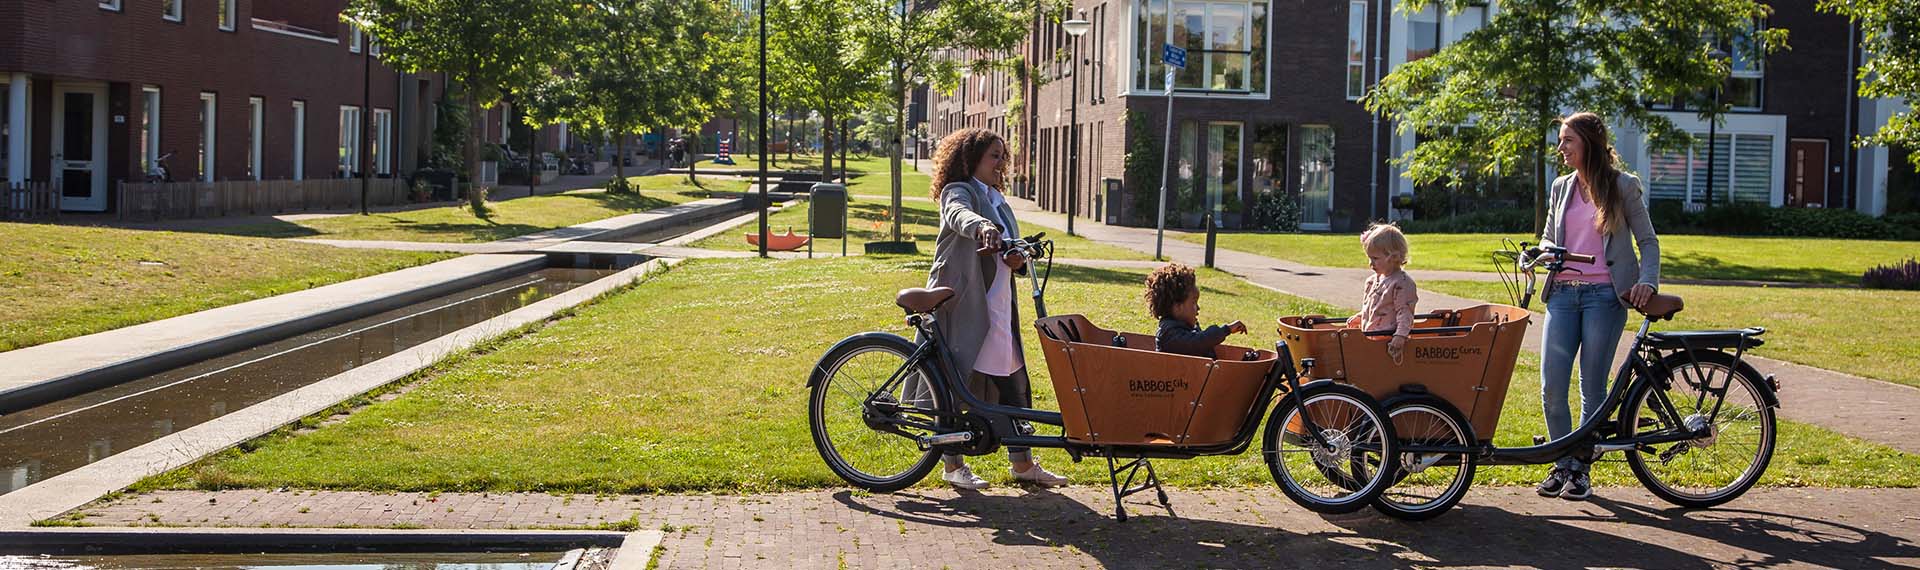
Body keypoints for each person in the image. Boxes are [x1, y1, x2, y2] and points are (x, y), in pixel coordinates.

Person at [906, 127, 1069, 490]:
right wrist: (981, 226)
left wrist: (1019, 258)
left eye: (1002, 156)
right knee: (953, 383)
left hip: (997, 302)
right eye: (993, 155)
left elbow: (1010, 246)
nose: (1000, 162)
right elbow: (958, 215)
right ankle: (953, 466)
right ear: (971, 159)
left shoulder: (997, 198)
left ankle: (1023, 464)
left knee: (1012, 381)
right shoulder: (959, 191)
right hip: (962, 301)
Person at [1534, 112, 1661, 501]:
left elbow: (1649, 243)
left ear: (1588, 143)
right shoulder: (1561, 187)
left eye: (1567, 141)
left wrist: (1647, 281)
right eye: (1560, 140)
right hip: (1562, 296)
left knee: (1592, 387)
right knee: (1552, 386)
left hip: (1605, 297)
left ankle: (1581, 470)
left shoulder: (1623, 186)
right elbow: (1548, 238)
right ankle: (1562, 462)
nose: (1561, 149)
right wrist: (1539, 254)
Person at [1346, 223, 1418, 365]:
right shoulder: (1372, 281)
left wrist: (1400, 336)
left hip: (1387, 342)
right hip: (1370, 338)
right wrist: (1361, 317)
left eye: (1375, 258)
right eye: (1369, 258)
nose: (1370, 263)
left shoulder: (1401, 283)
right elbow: (1375, 308)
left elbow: (1405, 313)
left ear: (1393, 257)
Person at [1145, 263, 1247, 358]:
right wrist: (1226, 330)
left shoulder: (1185, 329)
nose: (1198, 308)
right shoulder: (1169, 334)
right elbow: (1198, 342)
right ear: (1177, 307)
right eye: (1194, 302)